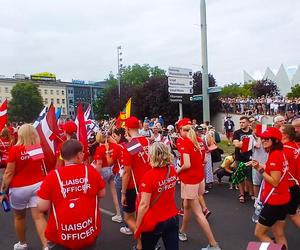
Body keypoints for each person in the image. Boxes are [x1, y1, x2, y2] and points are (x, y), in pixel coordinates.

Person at [37, 139, 106, 249]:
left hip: (61, 235)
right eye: (82, 152)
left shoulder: (52, 176)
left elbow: (42, 206)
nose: (84, 154)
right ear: (79, 155)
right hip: (88, 232)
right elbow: (102, 193)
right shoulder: (91, 171)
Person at [0, 124, 48, 250]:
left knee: (19, 216)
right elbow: (39, 167)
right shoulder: (37, 148)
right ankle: (46, 245)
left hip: (19, 188)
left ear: (20, 134)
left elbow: (9, 173)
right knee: (39, 217)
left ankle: (22, 244)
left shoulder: (15, 150)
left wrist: (2, 192)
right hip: (38, 185)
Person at [176, 118, 221, 250]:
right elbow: (204, 160)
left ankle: (213, 244)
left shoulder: (182, 141)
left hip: (189, 180)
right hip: (199, 178)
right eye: (185, 129)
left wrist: (176, 171)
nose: (185, 132)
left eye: (186, 129)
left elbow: (187, 164)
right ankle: (183, 231)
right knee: (186, 205)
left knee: (198, 213)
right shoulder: (199, 140)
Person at [251, 127, 290, 248]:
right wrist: (259, 165)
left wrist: (259, 169)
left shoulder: (274, 156)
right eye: (262, 138)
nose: (263, 140)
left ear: (275, 140)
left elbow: (275, 182)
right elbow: (273, 170)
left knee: (259, 233)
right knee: (279, 234)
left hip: (274, 201)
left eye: (267, 139)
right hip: (283, 198)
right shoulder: (279, 153)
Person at [135, 142, 179, 250]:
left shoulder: (149, 176)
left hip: (155, 220)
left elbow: (144, 205)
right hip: (172, 216)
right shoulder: (172, 170)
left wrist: (138, 226)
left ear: (152, 156)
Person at [121, 116, 152, 250]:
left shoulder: (130, 145)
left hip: (134, 186)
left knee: (128, 217)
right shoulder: (146, 141)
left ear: (127, 129)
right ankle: (143, 242)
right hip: (148, 182)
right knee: (143, 215)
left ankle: (142, 242)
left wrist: (122, 192)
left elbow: (127, 172)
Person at [94, 131, 122, 223]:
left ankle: (94, 214)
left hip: (103, 170)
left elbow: (99, 164)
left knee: (96, 195)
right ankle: (119, 214)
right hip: (113, 169)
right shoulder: (114, 146)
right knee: (115, 193)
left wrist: (97, 178)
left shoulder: (100, 148)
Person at [111, 127, 133, 235]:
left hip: (122, 175)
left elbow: (110, 161)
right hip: (132, 177)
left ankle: (127, 226)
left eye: (115, 136)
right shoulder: (130, 144)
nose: (114, 138)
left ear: (120, 136)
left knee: (123, 202)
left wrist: (107, 150)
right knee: (132, 203)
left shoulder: (117, 147)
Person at [280, 124, 300, 227]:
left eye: (280, 132)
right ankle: (278, 235)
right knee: (290, 213)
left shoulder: (283, 149)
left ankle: (278, 236)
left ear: (285, 135)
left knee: (284, 214)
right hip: (294, 184)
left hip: (287, 186)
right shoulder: (296, 145)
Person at [233, 116, 254, 203]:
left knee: (250, 177)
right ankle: (241, 194)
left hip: (250, 157)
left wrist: (244, 143)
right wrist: (249, 142)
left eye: (243, 122)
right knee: (240, 177)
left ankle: (251, 193)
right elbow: (237, 145)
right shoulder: (237, 133)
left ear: (248, 123)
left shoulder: (252, 132)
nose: (241, 124)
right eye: (240, 122)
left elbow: (257, 144)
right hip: (239, 158)